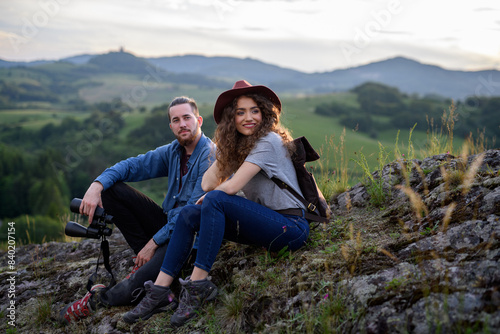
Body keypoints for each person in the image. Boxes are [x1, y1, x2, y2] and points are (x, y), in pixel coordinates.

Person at [123, 80, 310, 326]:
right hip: (267, 224)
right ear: (231, 118)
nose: (248, 118)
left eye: (254, 110)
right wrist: (226, 149)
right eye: (240, 112)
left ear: (264, 113)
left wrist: (213, 196)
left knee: (216, 200)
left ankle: (198, 284)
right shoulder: (245, 147)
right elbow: (208, 183)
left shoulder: (269, 142)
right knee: (189, 214)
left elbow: (228, 188)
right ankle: (159, 292)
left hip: (291, 228)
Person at [59, 96, 215, 324]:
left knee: (134, 286)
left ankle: (100, 298)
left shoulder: (209, 156)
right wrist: (97, 185)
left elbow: (191, 212)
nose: (182, 124)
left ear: (198, 120)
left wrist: (152, 244)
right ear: (171, 126)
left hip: (189, 237)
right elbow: (132, 165)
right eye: (176, 120)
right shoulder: (173, 151)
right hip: (167, 225)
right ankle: (148, 264)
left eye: (187, 118)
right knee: (111, 190)